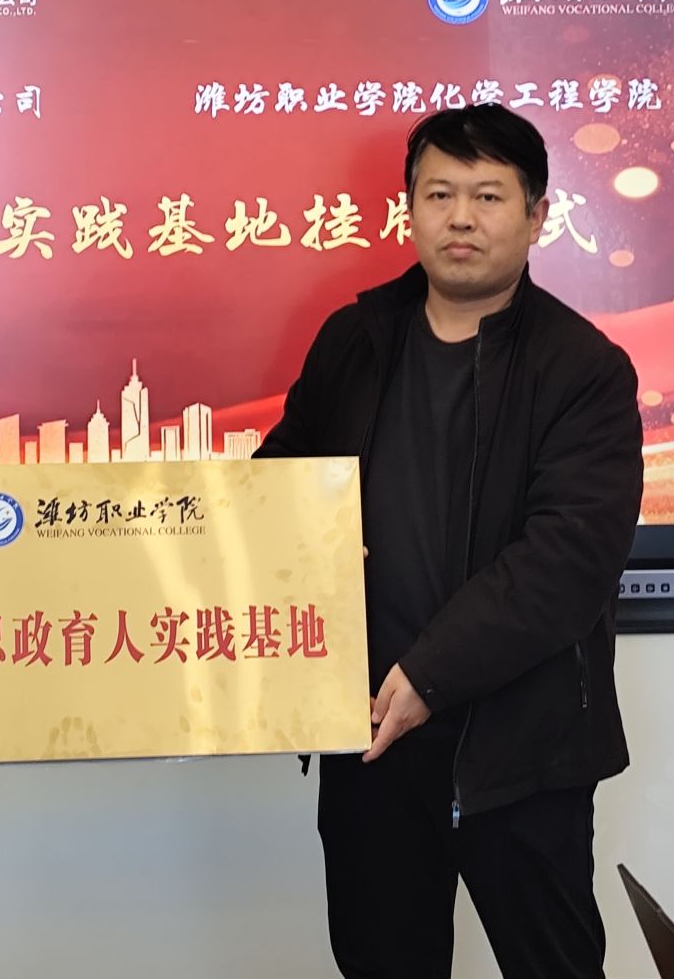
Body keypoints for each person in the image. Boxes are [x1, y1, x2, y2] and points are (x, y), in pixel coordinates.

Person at [258, 104, 646, 979]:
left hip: (524, 748)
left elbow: (568, 561)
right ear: (409, 207)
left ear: (536, 215)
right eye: (439, 194)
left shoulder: (583, 370)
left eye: (487, 196)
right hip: (371, 741)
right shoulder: (353, 341)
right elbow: (275, 490)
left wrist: (430, 676)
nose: (460, 217)